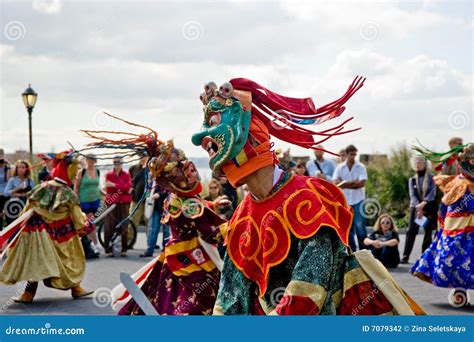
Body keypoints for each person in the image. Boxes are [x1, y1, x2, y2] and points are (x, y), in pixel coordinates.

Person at [192, 77, 424, 315]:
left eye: (216, 124)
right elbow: (230, 291)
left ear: (250, 139)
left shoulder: (307, 197)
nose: (203, 139)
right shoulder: (242, 216)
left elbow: (310, 288)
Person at [0, 151, 94, 303]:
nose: (77, 175)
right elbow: (78, 221)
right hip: (60, 235)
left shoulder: (42, 187)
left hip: (36, 232)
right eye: (76, 171)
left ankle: (28, 294)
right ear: (69, 171)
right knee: (71, 260)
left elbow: (26, 211)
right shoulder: (69, 194)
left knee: (36, 262)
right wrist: (86, 226)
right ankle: (75, 288)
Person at [412, 143, 473, 306]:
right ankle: (460, 290)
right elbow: (465, 205)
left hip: (460, 228)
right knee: (459, 260)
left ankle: (461, 290)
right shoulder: (461, 184)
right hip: (459, 229)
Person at [400, 156, 437, 264]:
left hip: (429, 206)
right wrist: (418, 207)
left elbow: (432, 193)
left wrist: (424, 203)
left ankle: (425, 256)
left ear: (425, 164)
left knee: (428, 231)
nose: (417, 164)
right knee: (411, 230)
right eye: (415, 162)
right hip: (416, 208)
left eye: (420, 162)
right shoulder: (412, 180)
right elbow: (413, 195)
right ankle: (405, 256)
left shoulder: (432, 177)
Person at [333, 144, 368, 251]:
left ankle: (364, 252)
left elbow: (361, 184)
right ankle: (352, 252)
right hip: (346, 202)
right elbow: (335, 183)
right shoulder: (340, 167)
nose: (353, 156)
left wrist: (345, 184)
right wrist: (353, 183)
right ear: (347, 154)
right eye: (351, 154)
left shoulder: (361, 167)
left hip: (358, 201)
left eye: (355, 154)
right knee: (348, 229)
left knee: (360, 228)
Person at [104, 156, 132, 257]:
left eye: (119, 162)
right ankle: (108, 250)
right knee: (109, 226)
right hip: (112, 203)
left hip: (124, 203)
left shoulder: (126, 174)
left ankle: (124, 249)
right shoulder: (108, 175)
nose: (117, 164)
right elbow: (108, 190)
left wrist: (115, 185)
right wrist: (122, 187)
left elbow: (128, 187)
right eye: (115, 162)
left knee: (124, 225)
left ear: (122, 163)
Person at [74, 154, 102, 255]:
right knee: (91, 222)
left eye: (92, 160)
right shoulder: (82, 172)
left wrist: (105, 194)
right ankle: (96, 244)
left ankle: (87, 243)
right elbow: (76, 187)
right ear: (86, 160)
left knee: (90, 223)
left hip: (96, 200)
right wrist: (76, 200)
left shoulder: (97, 171)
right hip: (84, 200)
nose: (90, 161)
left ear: (95, 161)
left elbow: (97, 186)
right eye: (89, 159)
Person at [140, 182, 170, 258]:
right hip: (156, 208)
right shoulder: (152, 182)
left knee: (166, 231)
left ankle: (166, 251)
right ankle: (149, 250)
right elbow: (147, 193)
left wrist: (159, 194)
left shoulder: (166, 179)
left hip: (166, 209)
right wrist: (147, 199)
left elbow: (169, 191)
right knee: (153, 230)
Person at [4, 160, 35, 225]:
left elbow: (34, 194)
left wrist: (25, 194)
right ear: (16, 169)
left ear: (27, 169)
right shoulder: (12, 180)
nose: (20, 169)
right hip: (13, 208)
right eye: (19, 167)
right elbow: (6, 193)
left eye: (23, 167)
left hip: (26, 208)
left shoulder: (30, 181)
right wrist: (17, 188)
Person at [129, 153, 149, 236]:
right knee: (133, 221)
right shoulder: (133, 168)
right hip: (136, 199)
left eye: (144, 156)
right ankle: (129, 240)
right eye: (141, 156)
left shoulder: (152, 168)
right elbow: (129, 182)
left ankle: (150, 243)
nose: (142, 158)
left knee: (149, 222)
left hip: (148, 200)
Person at [0, 149, 11, 229]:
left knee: (8, 214)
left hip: (6, 194)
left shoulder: (7, 167)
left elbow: (8, 179)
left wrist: (8, 165)